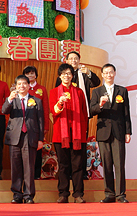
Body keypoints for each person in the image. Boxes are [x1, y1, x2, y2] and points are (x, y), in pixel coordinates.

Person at [55, 51, 100, 180]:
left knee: (82, 144)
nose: (73, 61)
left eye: (76, 58)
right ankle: (68, 172)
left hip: (82, 115)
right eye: (71, 58)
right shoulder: (62, 76)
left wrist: (89, 73)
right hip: (66, 117)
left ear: (79, 60)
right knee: (67, 144)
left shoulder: (83, 74)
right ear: (67, 61)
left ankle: (83, 172)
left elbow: (96, 82)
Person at [90, 63, 132, 203]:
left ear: (114, 73)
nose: (109, 75)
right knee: (107, 164)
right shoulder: (97, 91)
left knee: (119, 164)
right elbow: (91, 111)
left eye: (111, 72)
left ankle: (121, 195)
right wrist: (100, 104)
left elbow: (126, 112)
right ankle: (109, 194)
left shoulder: (122, 91)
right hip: (103, 132)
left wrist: (128, 132)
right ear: (102, 74)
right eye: (106, 72)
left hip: (119, 131)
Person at [2, 75, 44, 204]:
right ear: (15, 86)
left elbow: (40, 121)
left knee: (29, 167)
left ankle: (28, 195)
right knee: (16, 167)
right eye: (19, 84)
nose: (22, 86)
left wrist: (40, 139)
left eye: (24, 83)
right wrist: (9, 99)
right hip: (15, 136)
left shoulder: (36, 100)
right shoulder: (12, 100)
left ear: (28, 85)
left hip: (30, 136)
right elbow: (4, 110)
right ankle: (17, 195)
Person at [50, 63, 88, 203]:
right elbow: (54, 112)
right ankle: (63, 193)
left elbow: (84, 114)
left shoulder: (79, 92)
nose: (66, 76)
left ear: (72, 76)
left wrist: (83, 132)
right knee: (63, 165)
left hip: (77, 135)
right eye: (64, 73)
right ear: (60, 76)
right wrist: (60, 102)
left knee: (78, 165)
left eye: (69, 73)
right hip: (61, 135)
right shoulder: (54, 92)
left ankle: (78, 194)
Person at [22, 65, 49, 180]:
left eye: (32, 73)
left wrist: (46, 126)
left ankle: (37, 174)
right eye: (27, 74)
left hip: (38, 125)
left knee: (37, 150)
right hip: (24, 125)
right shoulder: (21, 89)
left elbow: (46, 109)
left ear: (36, 75)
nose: (30, 76)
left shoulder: (41, 89)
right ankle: (25, 175)